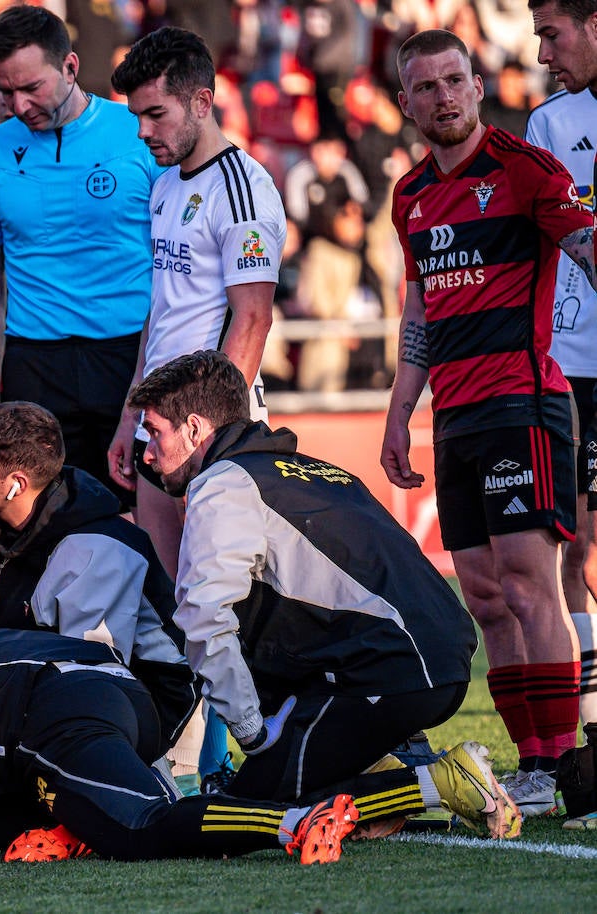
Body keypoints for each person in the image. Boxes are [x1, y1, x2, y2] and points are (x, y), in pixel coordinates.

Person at [130, 350, 522, 840]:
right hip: (433, 660)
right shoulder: (315, 468)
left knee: (252, 812)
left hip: (390, 670)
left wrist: (251, 732)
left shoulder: (221, 485)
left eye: (153, 432)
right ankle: (388, 764)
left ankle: (438, 780)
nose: (145, 452)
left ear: (192, 428)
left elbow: (204, 616)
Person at [382, 28, 597, 817]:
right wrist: (402, 408)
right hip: (457, 416)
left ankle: (560, 766)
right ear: (405, 102)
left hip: (524, 405)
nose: (443, 96)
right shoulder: (410, 196)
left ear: (477, 86)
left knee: (529, 583)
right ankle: (526, 761)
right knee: (482, 594)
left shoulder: (526, 169)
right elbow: (419, 308)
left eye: (454, 81)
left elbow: (584, 243)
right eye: (426, 86)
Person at [0, 594, 362, 864]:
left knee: (144, 828)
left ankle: (293, 821)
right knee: (59, 807)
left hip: (55, 709)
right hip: (117, 692)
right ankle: (69, 821)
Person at [104, 25, 286, 795]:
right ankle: (206, 760)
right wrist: (131, 414)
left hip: (207, 427)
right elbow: (163, 307)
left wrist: (211, 435)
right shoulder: (166, 182)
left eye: (155, 116)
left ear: (202, 102)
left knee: (226, 604)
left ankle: (263, 747)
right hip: (162, 421)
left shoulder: (243, 185)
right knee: (185, 602)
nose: (143, 133)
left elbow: (251, 318)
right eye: (138, 117)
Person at [0, 5, 164, 508]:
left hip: (129, 356)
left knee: (142, 520)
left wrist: (148, 383)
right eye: (4, 90)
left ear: (70, 67)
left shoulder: (136, 133)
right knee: (37, 525)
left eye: (32, 87)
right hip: (34, 363)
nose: (18, 103)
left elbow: (173, 262)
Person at [0, 401, 196, 755]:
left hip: (145, 708)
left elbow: (90, 674)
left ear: (17, 485)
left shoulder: (93, 549)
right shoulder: (22, 521)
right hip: (87, 691)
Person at [532, 0, 597, 830]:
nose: (542, 51)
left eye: (552, 33)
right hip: (575, 366)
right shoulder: (550, 122)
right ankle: (586, 745)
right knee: (577, 543)